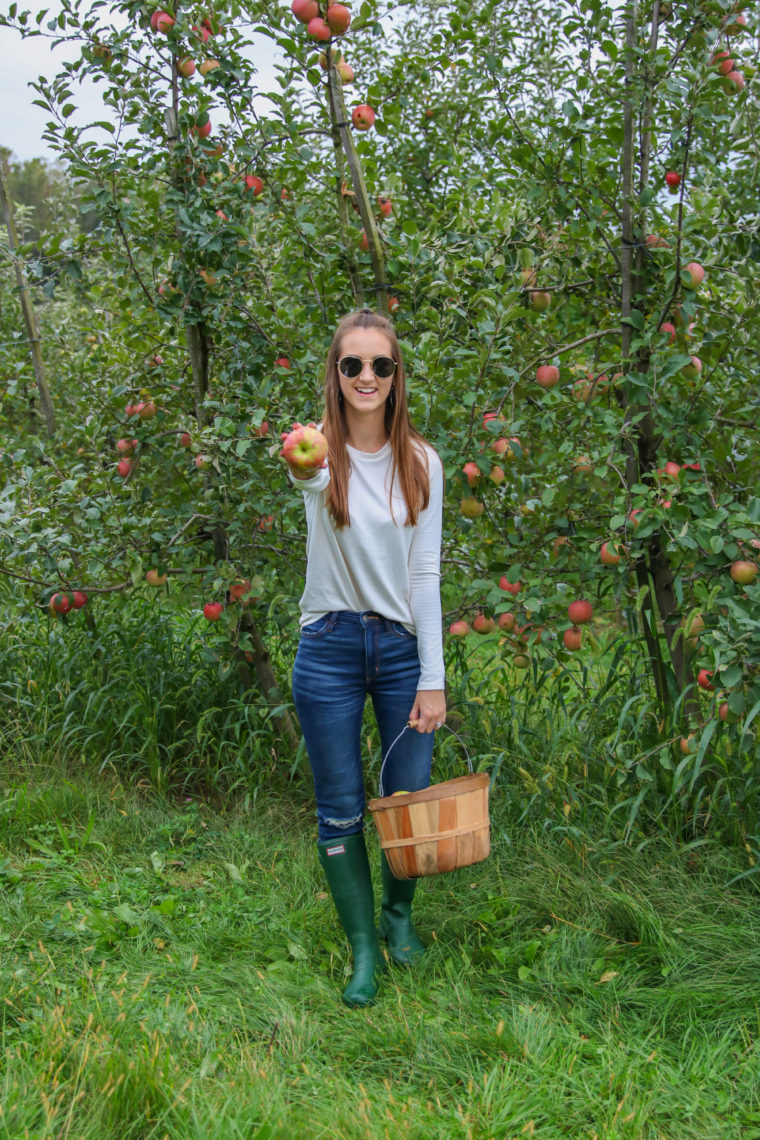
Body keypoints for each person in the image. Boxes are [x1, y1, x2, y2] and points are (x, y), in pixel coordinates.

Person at [282, 308, 446, 1008]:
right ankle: (361, 952)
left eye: (381, 364)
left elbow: (426, 576)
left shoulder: (422, 462)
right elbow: (308, 477)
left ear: (397, 374)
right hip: (330, 650)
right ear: (336, 373)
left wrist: (433, 677)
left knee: (406, 798)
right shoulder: (320, 454)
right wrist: (302, 451)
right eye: (353, 365)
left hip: (402, 650)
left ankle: (399, 916)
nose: (368, 377)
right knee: (341, 808)